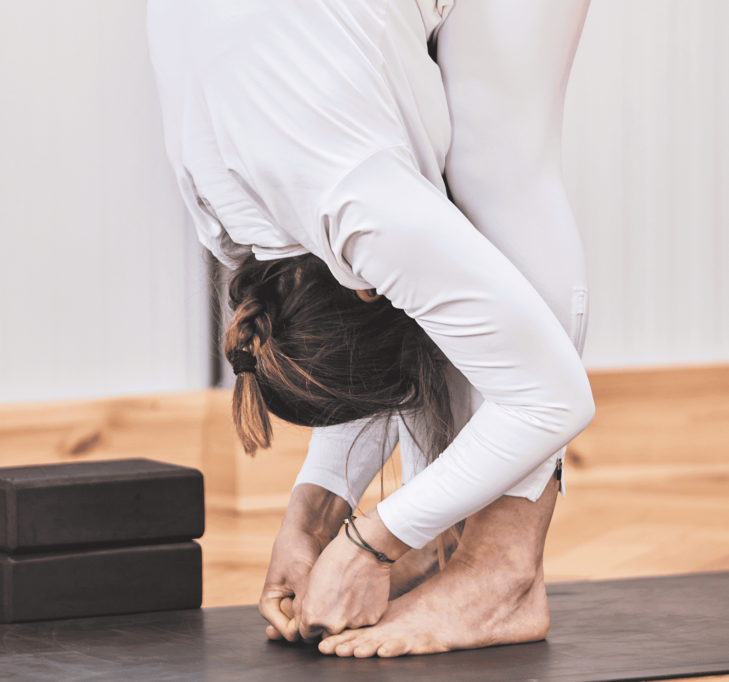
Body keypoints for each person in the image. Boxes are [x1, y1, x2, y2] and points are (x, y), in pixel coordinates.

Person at [148, 0, 593, 658]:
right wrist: (314, 516)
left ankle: (504, 574)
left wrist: (372, 540)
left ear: (367, 282)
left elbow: (554, 397)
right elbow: (375, 307)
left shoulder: (354, 202)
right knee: (454, 173)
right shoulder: (239, 214)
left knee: (497, 169)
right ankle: (447, 537)